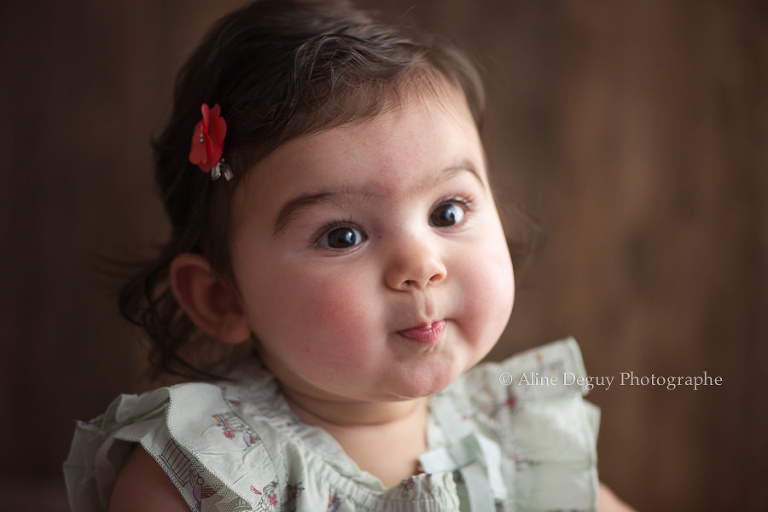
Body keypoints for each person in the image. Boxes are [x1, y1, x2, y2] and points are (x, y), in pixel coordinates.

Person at [63, 1, 634, 510]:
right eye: (342, 236)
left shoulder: (516, 438)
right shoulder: (201, 478)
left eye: (448, 213)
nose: (421, 264)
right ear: (223, 298)